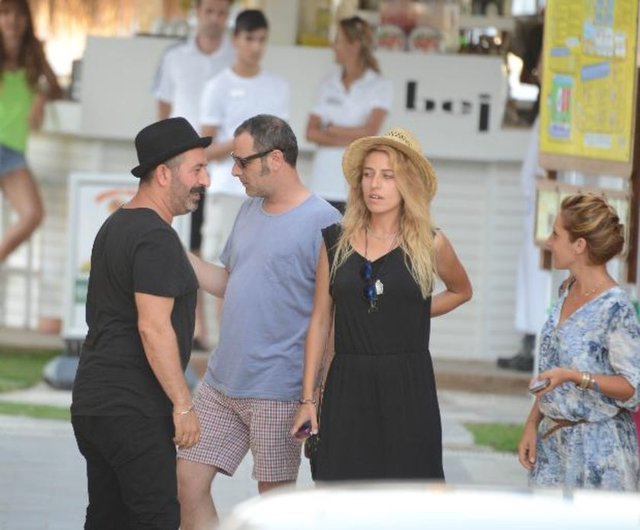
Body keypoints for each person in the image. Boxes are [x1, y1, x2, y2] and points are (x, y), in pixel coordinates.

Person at [177, 114, 341, 529]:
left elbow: (330, 319)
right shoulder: (248, 210)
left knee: (275, 508)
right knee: (185, 484)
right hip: (221, 383)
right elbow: (230, 282)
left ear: (276, 159)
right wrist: (174, 250)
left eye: (242, 161)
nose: (234, 171)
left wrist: (315, 395)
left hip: (279, 391)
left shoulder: (325, 223)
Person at [291, 127, 473, 481]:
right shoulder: (335, 242)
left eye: (388, 176)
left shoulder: (430, 243)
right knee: (341, 492)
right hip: (347, 383)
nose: (374, 185)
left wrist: (410, 314)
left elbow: (461, 290)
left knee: (407, 496)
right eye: (368, 174)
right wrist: (308, 399)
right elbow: (320, 321)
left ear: (408, 184)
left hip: (408, 385)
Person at [71, 117, 210, 529]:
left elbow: (213, 279)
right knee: (157, 519)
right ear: (164, 174)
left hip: (95, 404)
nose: (205, 180)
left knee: (108, 519)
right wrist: (183, 404)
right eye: (197, 170)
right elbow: (154, 328)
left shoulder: (120, 224)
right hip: (133, 408)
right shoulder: (155, 237)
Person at [517, 193, 640, 491]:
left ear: (579, 245)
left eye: (556, 234)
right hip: (551, 447)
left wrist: (575, 377)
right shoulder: (567, 289)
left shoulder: (616, 308)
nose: (549, 242)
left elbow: (632, 387)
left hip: (599, 454)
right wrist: (532, 422)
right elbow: (552, 369)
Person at [153, 0, 234, 351]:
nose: (215, 19)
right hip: (181, 170)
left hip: (225, 173)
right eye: (209, 11)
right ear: (197, 12)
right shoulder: (174, 57)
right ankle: (194, 327)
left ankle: (218, 335)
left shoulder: (236, 57)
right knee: (184, 245)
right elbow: (163, 110)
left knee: (215, 251)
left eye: (221, 12)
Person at [497, 16, 548, 372]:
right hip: (536, 206)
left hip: (550, 207)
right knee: (530, 274)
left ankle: (538, 345)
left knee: (541, 277)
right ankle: (530, 343)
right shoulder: (546, 111)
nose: (538, 68)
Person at [306, 15, 392, 213]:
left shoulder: (380, 85)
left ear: (354, 45)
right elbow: (311, 132)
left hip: (355, 187)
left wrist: (332, 129)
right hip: (321, 184)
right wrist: (354, 138)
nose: (333, 46)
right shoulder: (327, 83)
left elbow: (370, 133)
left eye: (338, 40)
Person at [0, 0, 62, 263]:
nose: (12, 20)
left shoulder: (34, 55)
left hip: (12, 152)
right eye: (5, 13)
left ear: (27, 20)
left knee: (33, 215)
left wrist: (41, 97)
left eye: (18, 14)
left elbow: (56, 88)